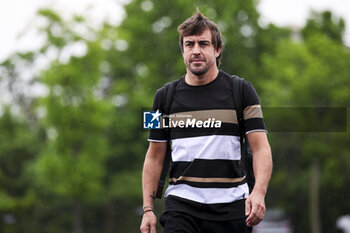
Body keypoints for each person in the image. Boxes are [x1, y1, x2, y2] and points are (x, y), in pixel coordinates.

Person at [140, 9, 273, 233]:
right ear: (182, 50)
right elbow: (154, 156)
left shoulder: (242, 91)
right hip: (181, 208)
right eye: (189, 44)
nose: (196, 51)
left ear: (217, 49)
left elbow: (261, 148)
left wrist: (258, 192)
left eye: (203, 43)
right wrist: (147, 209)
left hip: (232, 209)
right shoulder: (162, 97)